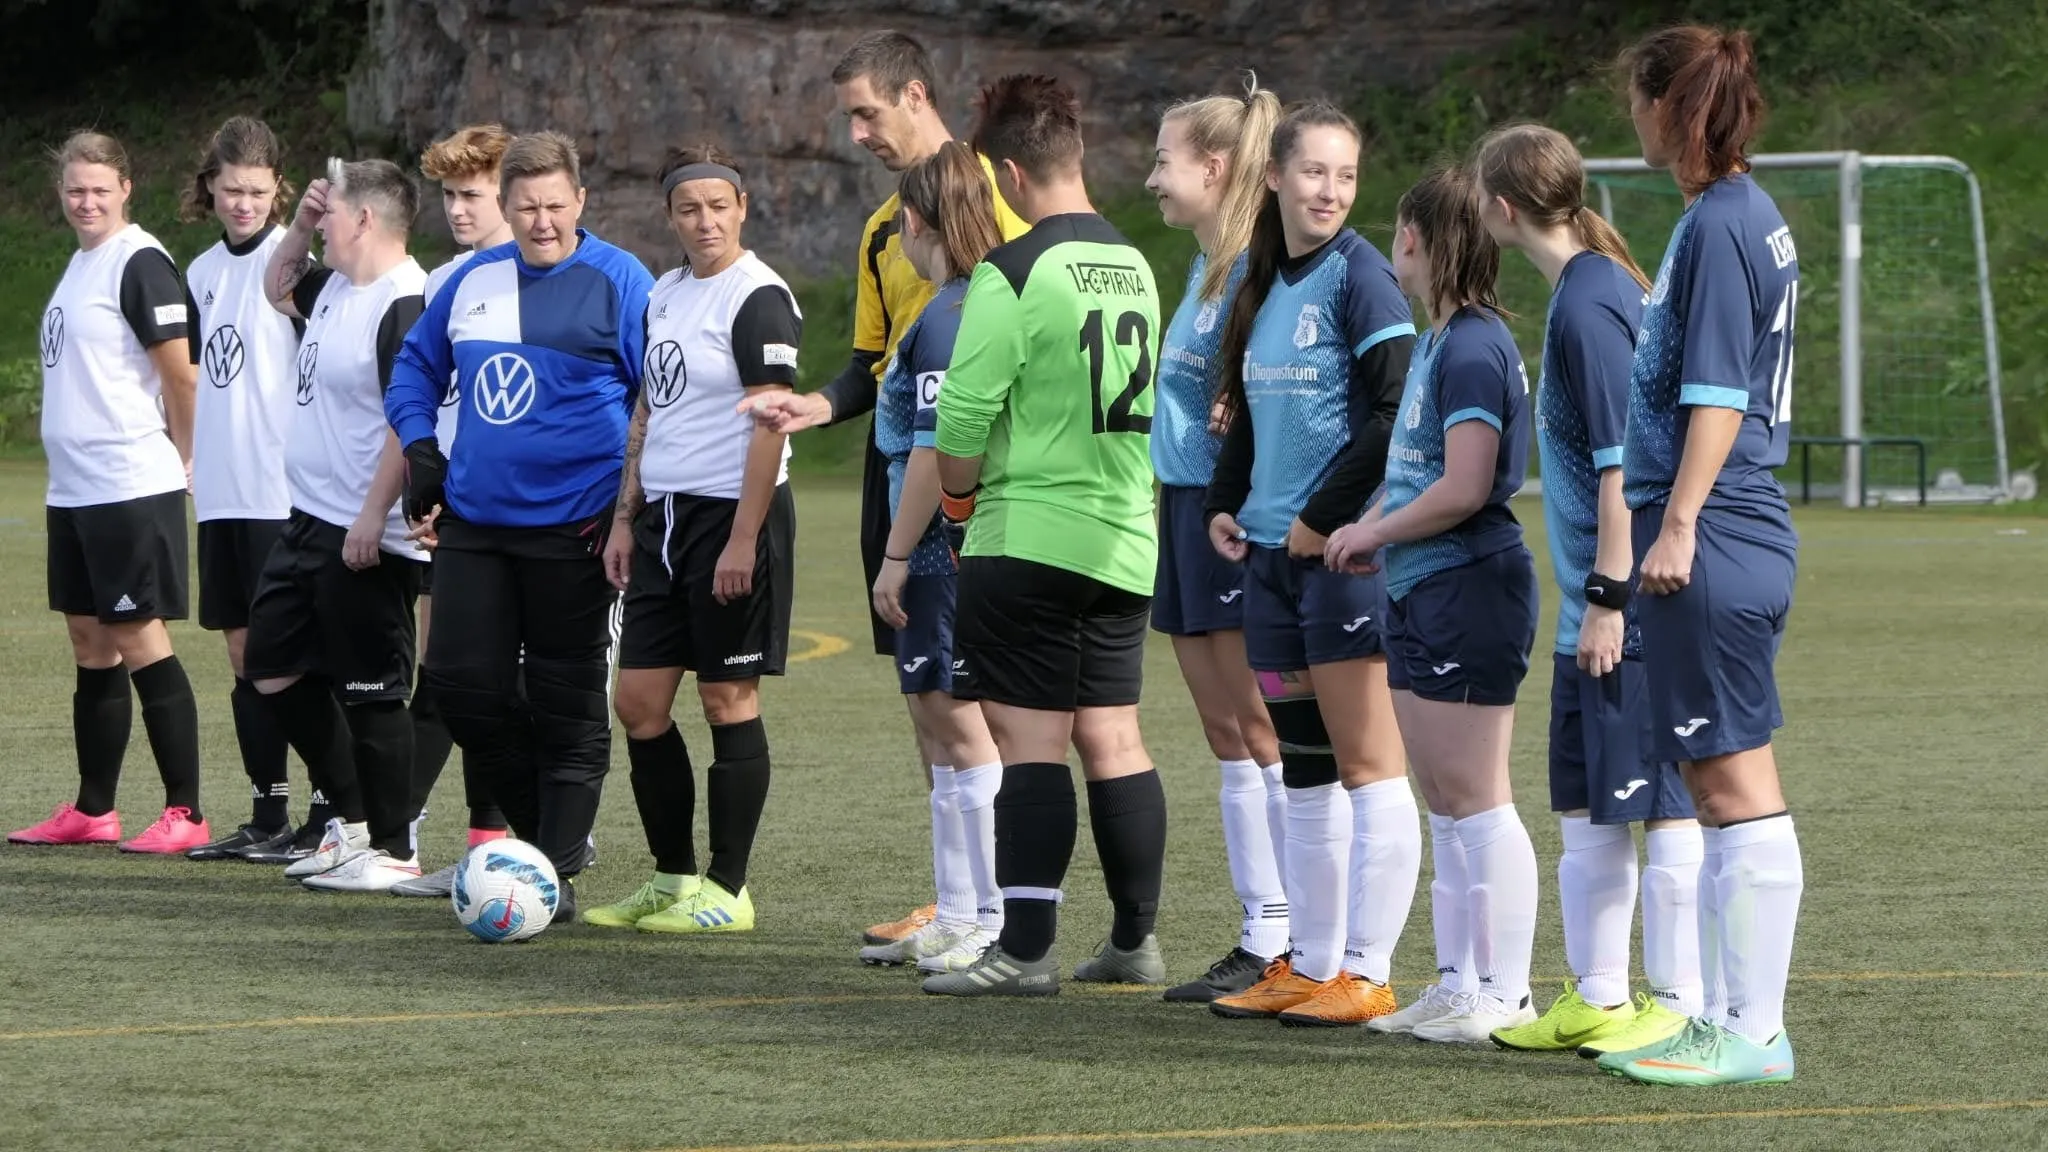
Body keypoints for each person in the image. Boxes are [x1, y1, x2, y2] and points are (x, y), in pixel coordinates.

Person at [746, 30, 1028, 949]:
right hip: (900, 464)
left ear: (914, 94)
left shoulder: (1004, 197)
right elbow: (874, 363)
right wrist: (817, 406)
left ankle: (996, 910)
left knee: (975, 701)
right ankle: (958, 899)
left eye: (866, 112)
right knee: (927, 697)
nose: (858, 133)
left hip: (972, 477)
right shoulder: (883, 228)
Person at [920, 73, 1167, 997]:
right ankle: (1135, 942)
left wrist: (955, 509)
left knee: (1031, 744)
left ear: (1011, 175)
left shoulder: (1013, 269)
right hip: (1124, 538)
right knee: (1115, 737)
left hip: (1027, 536)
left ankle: (1025, 953)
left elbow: (962, 418)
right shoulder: (1135, 261)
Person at [1473, 123, 1706, 1058]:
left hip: (1625, 604)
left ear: (1503, 209)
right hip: (1593, 602)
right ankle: (1600, 996)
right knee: (1585, 800)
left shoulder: (1589, 301)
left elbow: (1622, 467)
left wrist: (1610, 600)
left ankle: (1679, 1000)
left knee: (1663, 803)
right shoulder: (1588, 286)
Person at [1600, 25, 1803, 1087]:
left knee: (1730, 784)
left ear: (1662, 107)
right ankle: (1728, 1021)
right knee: (1716, 780)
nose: (1628, 120)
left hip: (1714, 526)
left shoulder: (1722, 223)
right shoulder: (1733, 213)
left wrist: (1675, 523)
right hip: (1726, 522)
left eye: (1635, 103)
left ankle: (1751, 1033)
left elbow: (1718, 392)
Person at [386, 131, 654, 919]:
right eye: (527, 207)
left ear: (581, 201)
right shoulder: (473, 279)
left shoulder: (620, 280)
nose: (542, 222)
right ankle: (537, 844)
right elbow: (415, 368)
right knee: (460, 687)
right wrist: (420, 450)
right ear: (507, 206)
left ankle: (555, 872)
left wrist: (627, 515)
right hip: (476, 524)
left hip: (576, 528)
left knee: (567, 701)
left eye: (556, 206)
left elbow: (657, 400)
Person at [1200, 104, 1419, 1028]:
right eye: (1315, 172)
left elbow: (1396, 410)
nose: (1331, 191)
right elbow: (1250, 407)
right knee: (1304, 768)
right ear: (1276, 177)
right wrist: (1225, 499)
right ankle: (1314, 964)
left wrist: (1320, 520)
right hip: (1271, 563)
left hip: (1338, 560)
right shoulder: (1261, 275)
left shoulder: (1362, 277)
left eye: (1347, 175)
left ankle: (1368, 973)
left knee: (1369, 765)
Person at [1324, 164, 1538, 1042]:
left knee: (1478, 797)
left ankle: (1507, 993)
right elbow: (1416, 471)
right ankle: (1457, 984)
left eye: (1397, 234)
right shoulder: (1438, 341)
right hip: (1420, 586)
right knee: (1444, 799)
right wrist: (1372, 522)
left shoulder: (1476, 345)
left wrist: (1373, 531)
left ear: (1412, 238)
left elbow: (1465, 485)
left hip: (1468, 585)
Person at [579, 145, 799, 935]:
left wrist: (742, 540)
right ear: (669, 216)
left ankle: (729, 889)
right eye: (688, 209)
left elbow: (772, 426)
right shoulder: (665, 294)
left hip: (732, 517)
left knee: (726, 697)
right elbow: (650, 407)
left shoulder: (758, 296)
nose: (705, 222)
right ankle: (673, 878)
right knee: (638, 704)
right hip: (664, 519)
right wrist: (625, 517)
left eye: (717, 206)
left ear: (742, 207)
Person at [9, 132, 210, 855]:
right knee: (89, 641)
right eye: (75, 189)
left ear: (126, 187)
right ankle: (94, 809)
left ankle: (186, 811)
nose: (86, 201)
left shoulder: (139, 261)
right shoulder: (79, 265)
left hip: (129, 485)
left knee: (137, 636)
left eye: (99, 188)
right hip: (74, 489)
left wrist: (188, 458)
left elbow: (182, 375)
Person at [1142, 79, 1291, 1004]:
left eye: (1164, 160)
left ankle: (1293, 939)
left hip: (1228, 513)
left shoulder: (1253, 272)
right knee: (1226, 732)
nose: (1152, 178)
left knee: (1262, 727)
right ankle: (1261, 929)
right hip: (1182, 507)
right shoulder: (1206, 269)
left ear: (1216, 166)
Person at [842, 144, 1007, 970]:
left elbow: (936, 449)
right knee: (938, 728)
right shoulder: (968, 301)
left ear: (913, 221)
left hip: (944, 553)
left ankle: (989, 916)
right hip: (955, 548)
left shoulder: (949, 315)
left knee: (958, 725)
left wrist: (897, 553)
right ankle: (959, 908)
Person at [245, 158, 427, 891]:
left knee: (372, 691)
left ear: (365, 219)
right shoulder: (334, 289)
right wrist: (296, 223)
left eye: (330, 213)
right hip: (308, 517)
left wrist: (372, 515)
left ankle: (395, 846)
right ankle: (350, 823)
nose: (321, 224)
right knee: (271, 665)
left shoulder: (404, 303)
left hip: (365, 532)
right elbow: (275, 286)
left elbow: (407, 420)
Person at [177, 116, 318, 863]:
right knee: (242, 655)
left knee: (294, 657)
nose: (244, 203)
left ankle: (330, 811)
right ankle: (268, 816)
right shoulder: (199, 272)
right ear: (210, 186)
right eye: (232, 189)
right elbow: (202, 376)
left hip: (279, 493)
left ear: (278, 191)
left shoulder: (293, 262)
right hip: (222, 492)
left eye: (258, 192)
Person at [387, 123, 517, 899]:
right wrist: (426, 483)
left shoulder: (541, 274)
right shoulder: (443, 282)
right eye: (448, 195)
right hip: (455, 508)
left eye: (473, 194)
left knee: (494, 680)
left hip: (526, 514)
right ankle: (414, 839)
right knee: (450, 673)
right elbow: (425, 392)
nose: (458, 209)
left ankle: (486, 842)